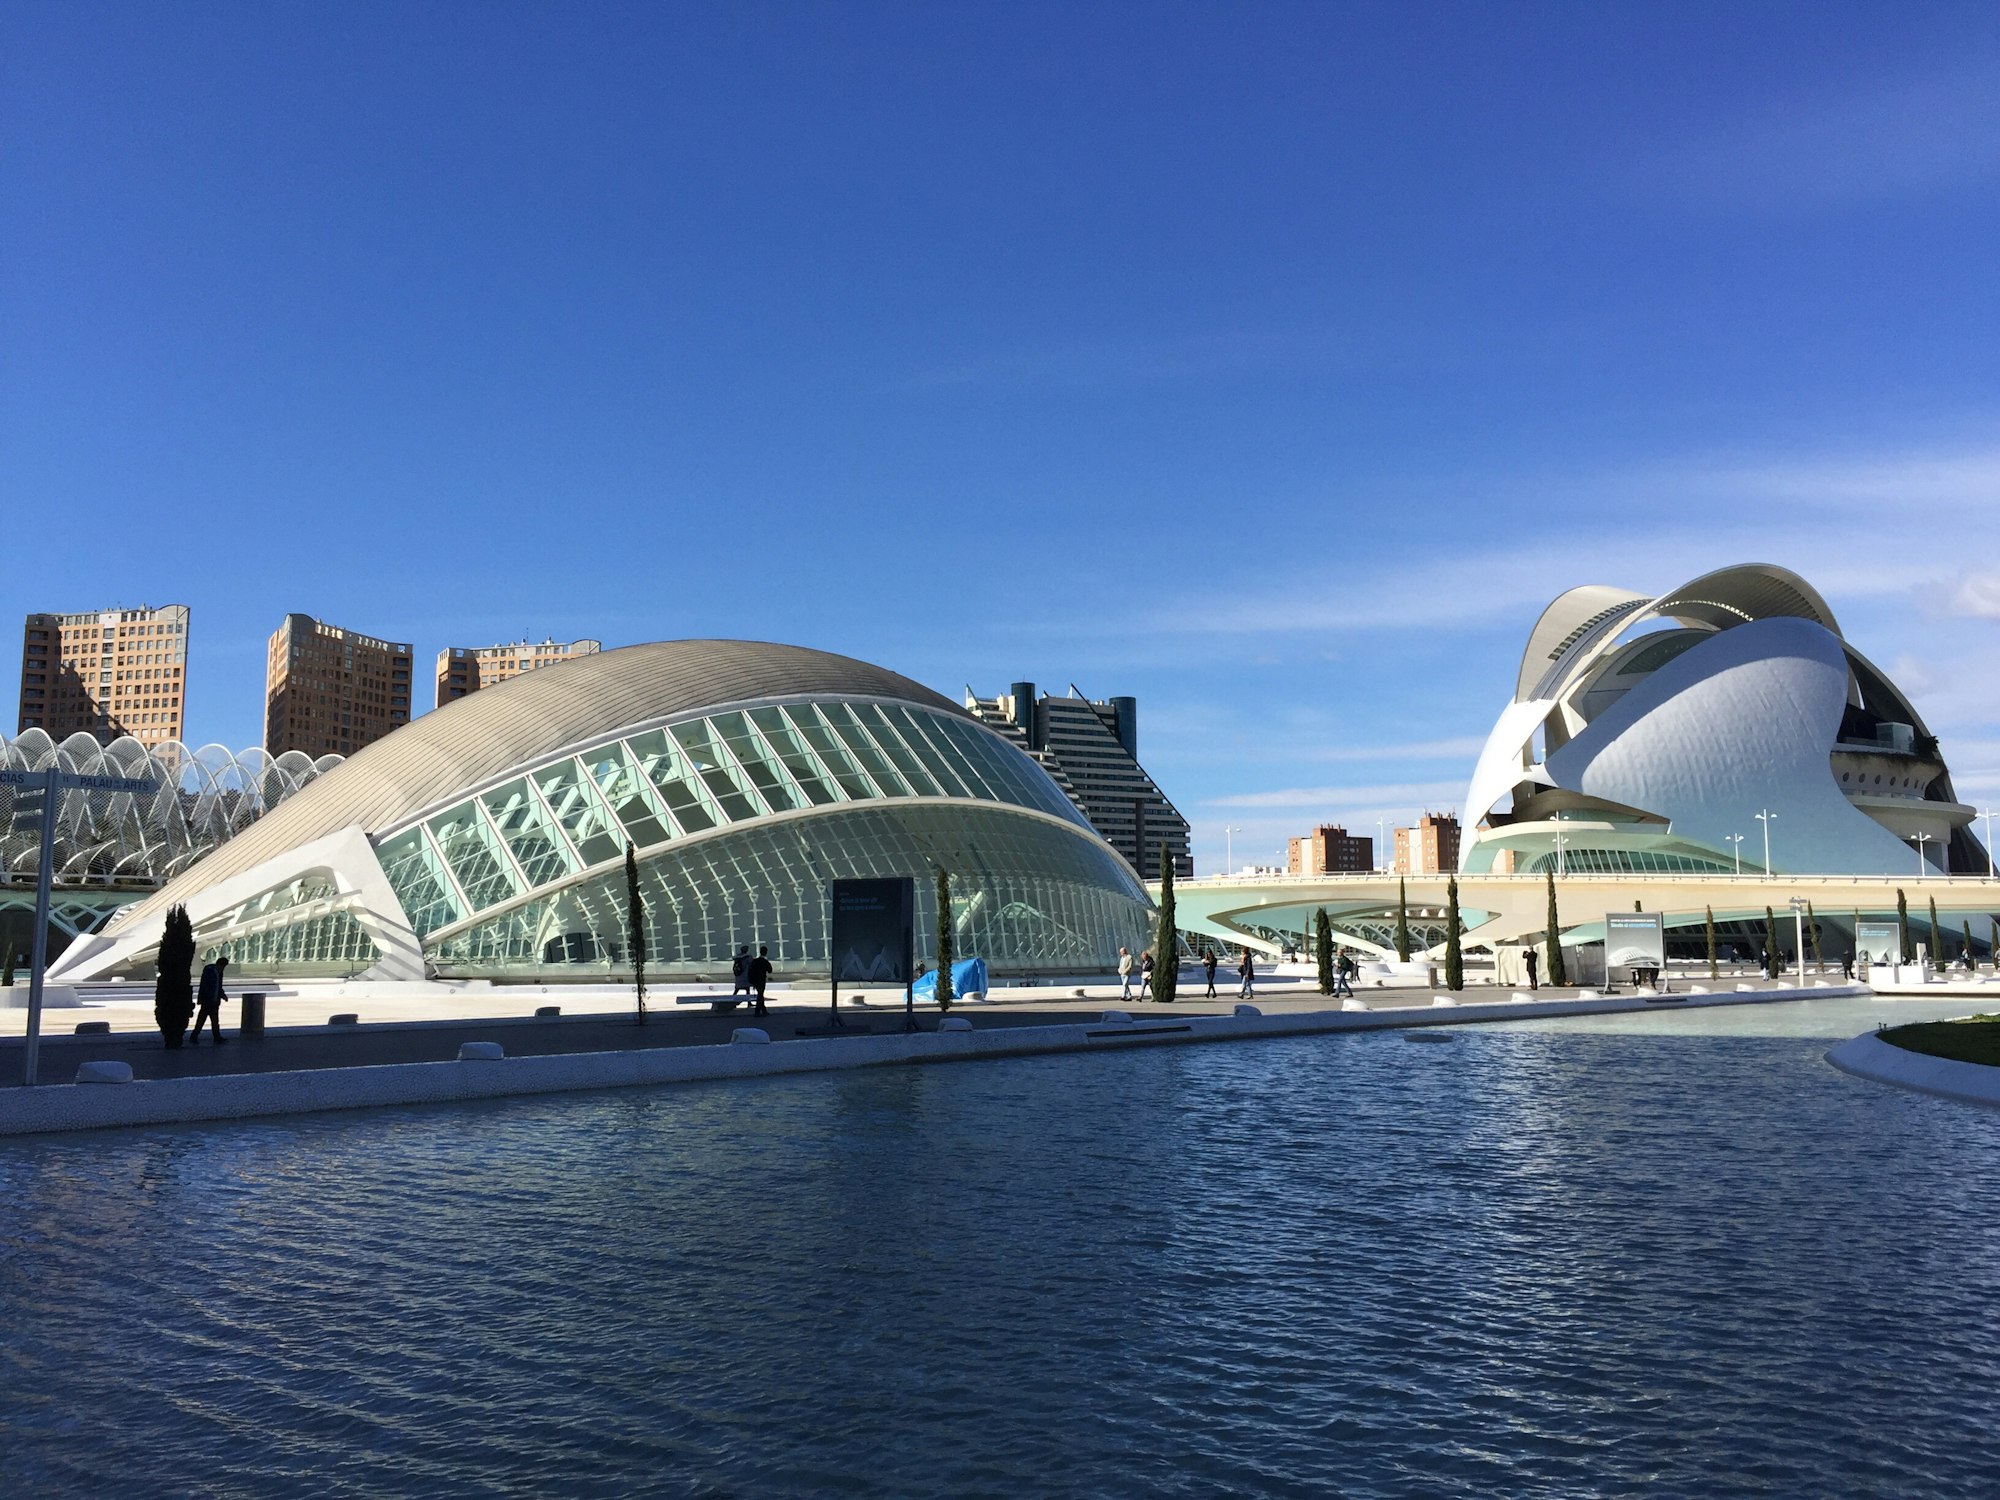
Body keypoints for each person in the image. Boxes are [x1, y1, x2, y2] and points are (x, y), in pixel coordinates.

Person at [190, 955, 229, 1045]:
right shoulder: (210, 971)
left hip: (214, 1001)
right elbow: (205, 986)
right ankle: (195, 1036)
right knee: (203, 1019)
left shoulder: (219, 972)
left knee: (213, 1020)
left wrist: (222, 995)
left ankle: (215, 1036)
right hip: (208, 1000)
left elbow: (219, 986)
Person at [746, 945, 772, 1016]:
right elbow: (770, 970)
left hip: (755, 980)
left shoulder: (755, 961)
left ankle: (763, 1010)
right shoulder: (765, 961)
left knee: (760, 994)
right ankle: (758, 1011)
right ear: (766, 953)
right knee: (760, 995)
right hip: (761, 980)